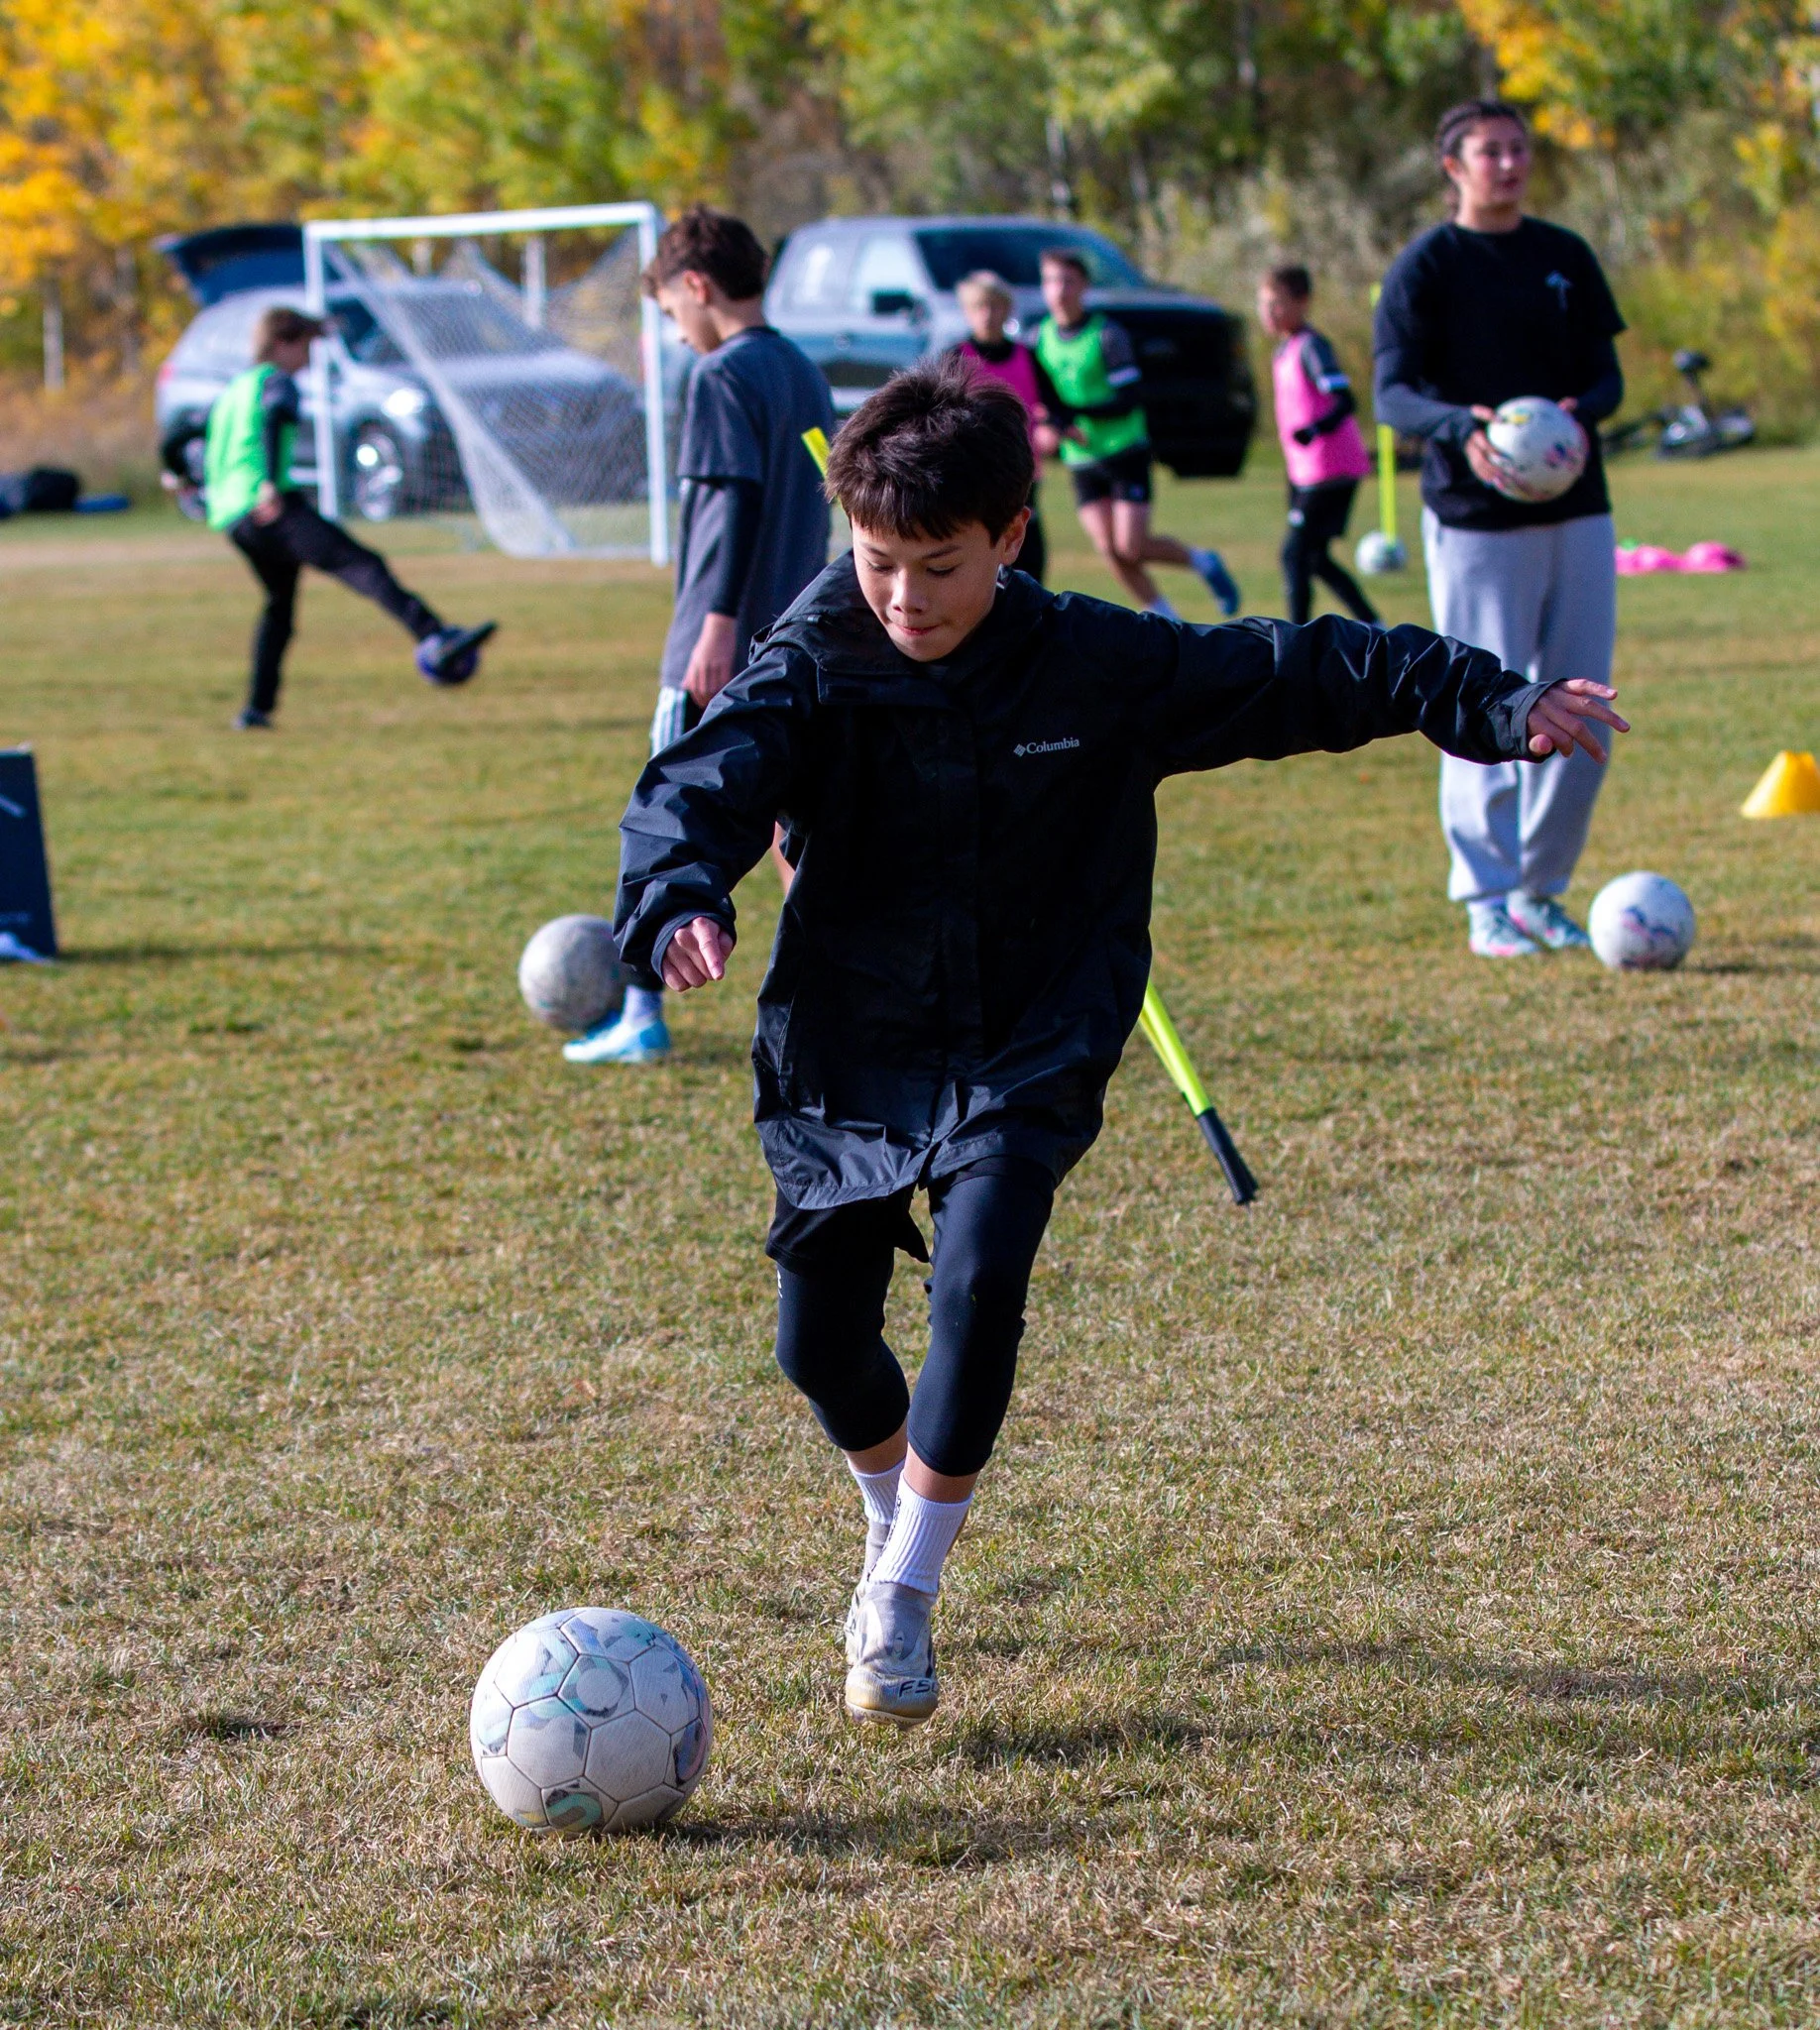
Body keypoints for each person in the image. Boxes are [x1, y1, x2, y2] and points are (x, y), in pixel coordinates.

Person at [614, 359, 1626, 1726]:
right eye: (877, 564)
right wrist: (677, 895)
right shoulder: (817, 656)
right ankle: (889, 1508)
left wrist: (1492, 704)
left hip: (1036, 1022)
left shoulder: (1097, 659)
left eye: (939, 566)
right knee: (817, 1348)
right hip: (851, 1035)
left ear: (1011, 538)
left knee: (978, 1281)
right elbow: (702, 785)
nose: (904, 599)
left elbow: (1306, 668)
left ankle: (902, 1594)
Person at [565, 205, 836, 1068]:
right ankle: (852, 997)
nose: (678, 338)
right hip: (801, 641)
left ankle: (641, 1013)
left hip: (725, 642)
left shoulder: (723, 375)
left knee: (667, 814)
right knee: (798, 833)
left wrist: (711, 632)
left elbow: (727, 506)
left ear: (697, 286)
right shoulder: (801, 368)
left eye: (674, 316)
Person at [1374, 98, 1627, 959]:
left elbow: (1606, 375)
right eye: (1491, 151)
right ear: (1454, 165)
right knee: (1484, 693)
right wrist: (1461, 428)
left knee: (1583, 698)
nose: (1509, 164)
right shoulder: (1426, 267)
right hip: (1476, 517)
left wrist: (1580, 412)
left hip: (1579, 509)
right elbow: (1393, 394)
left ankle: (1541, 891)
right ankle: (1485, 896)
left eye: (1519, 149)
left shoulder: (1563, 256)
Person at [204, 307, 495, 731]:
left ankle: (255, 710)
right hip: (270, 506)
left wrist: (178, 473)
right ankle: (436, 638)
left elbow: (185, 436)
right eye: (306, 346)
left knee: (279, 608)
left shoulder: (235, 389)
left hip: (234, 518)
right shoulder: (275, 382)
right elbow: (274, 415)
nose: (308, 358)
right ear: (283, 343)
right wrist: (267, 481)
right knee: (361, 564)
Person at [1033, 248, 1242, 620]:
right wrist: (1052, 426)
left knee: (1132, 545)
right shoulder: (1042, 338)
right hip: (1082, 459)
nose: (1059, 290)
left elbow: (1128, 400)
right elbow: (1044, 399)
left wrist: (1073, 419)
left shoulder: (1107, 335)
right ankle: (1165, 617)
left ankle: (1203, 561)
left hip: (1123, 449)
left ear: (1083, 286)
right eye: (1050, 281)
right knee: (1109, 549)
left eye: (1067, 281)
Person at [1256, 265, 1379, 627]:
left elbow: (1344, 400)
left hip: (1330, 469)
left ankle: (1295, 637)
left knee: (1294, 555)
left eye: (1277, 304)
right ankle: (1374, 624)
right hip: (1303, 471)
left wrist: (1314, 429)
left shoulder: (1312, 347)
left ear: (1302, 302)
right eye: (1264, 304)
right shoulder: (1283, 351)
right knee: (1315, 559)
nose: (1269, 313)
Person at [946, 271, 1060, 584]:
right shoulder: (956, 358)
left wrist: (1052, 425)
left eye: (995, 306)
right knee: (981, 539)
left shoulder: (1027, 356)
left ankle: (1031, 607)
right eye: (980, 307)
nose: (988, 315)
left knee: (1026, 541)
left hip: (1021, 467)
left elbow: (1054, 404)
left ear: (1007, 310)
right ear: (968, 312)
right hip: (974, 469)